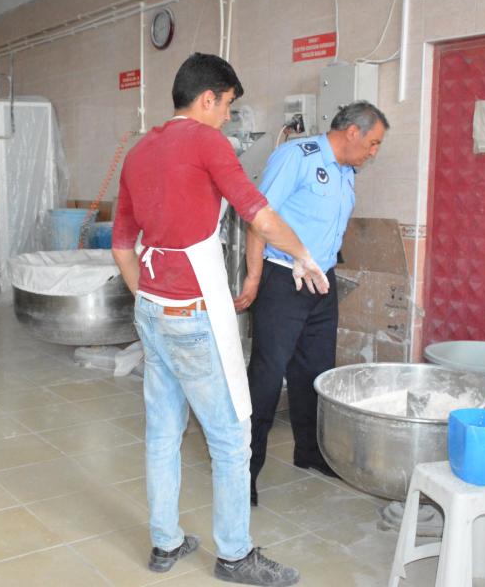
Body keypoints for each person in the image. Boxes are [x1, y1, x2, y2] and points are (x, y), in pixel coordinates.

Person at [112, 53, 330, 587]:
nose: (228, 117)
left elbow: (121, 245)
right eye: (228, 105)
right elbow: (259, 215)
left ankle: (165, 542)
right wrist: (303, 255)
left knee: (163, 432)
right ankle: (234, 555)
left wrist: (151, 301)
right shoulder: (207, 143)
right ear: (207, 98)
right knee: (232, 438)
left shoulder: (138, 151)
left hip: (152, 310)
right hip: (192, 312)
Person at [234, 101, 389, 506]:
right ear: (352, 132)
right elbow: (258, 217)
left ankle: (311, 452)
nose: (374, 152)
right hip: (283, 278)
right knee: (267, 376)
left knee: (316, 372)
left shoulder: (346, 171)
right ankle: (244, 470)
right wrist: (253, 277)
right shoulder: (296, 157)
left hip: (321, 281)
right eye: (373, 143)